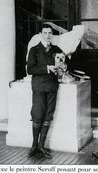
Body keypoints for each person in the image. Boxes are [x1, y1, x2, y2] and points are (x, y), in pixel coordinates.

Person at [27, 23, 65, 159]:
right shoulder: (34, 50)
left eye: (50, 33)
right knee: (37, 115)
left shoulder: (57, 49)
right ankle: (34, 145)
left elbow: (64, 63)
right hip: (38, 87)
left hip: (52, 87)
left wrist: (63, 67)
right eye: (45, 33)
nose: (48, 35)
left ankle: (41, 146)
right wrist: (47, 68)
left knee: (48, 115)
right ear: (40, 34)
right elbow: (30, 69)